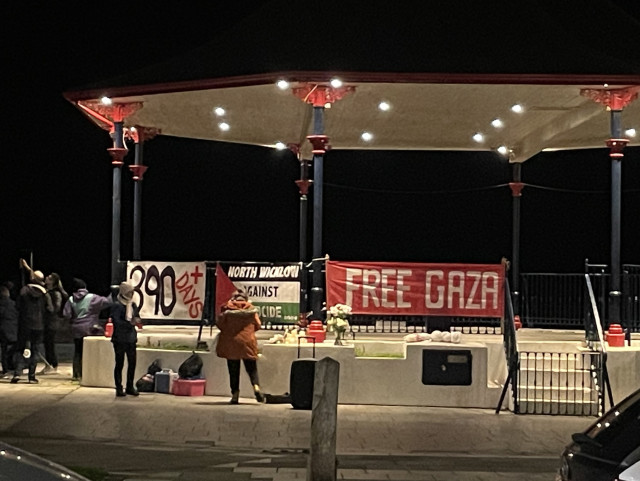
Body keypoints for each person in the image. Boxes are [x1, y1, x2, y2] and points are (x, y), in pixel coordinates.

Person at [216, 289, 264, 404]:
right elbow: (258, 325)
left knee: (233, 370)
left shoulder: (227, 308)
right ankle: (256, 387)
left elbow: (220, 324)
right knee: (252, 368)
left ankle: (235, 394)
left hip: (231, 342)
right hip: (248, 341)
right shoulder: (251, 309)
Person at [63, 278, 111, 381]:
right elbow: (107, 302)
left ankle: (76, 375)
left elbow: (66, 314)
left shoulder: (71, 299)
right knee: (89, 352)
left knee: (77, 352)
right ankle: (88, 374)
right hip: (90, 328)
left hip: (76, 329)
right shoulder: (92, 297)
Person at [12, 270, 52, 383]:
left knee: (21, 348)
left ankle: (17, 374)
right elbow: (50, 309)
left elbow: (17, 306)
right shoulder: (44, 293)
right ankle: (31, 376)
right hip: (38, 325)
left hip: (24, 324)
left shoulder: (24, 290)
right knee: (35, 349)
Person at [110, 281, 141, 397]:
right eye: (129, 292)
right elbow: (116, 321)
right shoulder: (117, 305)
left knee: (132, 363)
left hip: (131, 338)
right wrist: (130, 323)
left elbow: (137, 316)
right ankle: (118, 387)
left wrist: (137, 321)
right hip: (120, 338)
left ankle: (130, 386)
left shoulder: (132, 305)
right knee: (119, 363)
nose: (131, 294)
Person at [39, 272, 68, 374]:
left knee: (50, 343)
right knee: (47, 343)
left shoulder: (56, 293)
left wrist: (47, 300)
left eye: (49, 278)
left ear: (52, 282)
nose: (46, 278)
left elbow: (55, 309)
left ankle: (53, 364)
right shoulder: (46, 291)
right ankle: (49, 364)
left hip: (52, 321)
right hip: (46, 321)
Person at [0, 284, 19, 376]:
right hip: (13, 329)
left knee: (4, 350)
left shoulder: (1, 304)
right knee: (14, 349)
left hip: (3, 330)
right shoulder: (13, 304)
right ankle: (12, 366)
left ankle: (6, 369)